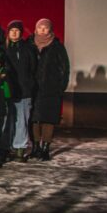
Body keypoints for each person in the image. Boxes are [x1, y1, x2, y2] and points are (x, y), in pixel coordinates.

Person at [30, 18, 69, 161]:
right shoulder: (30, 44)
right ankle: (35, 147)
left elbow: (65, 68)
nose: (42, 30)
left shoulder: (57, 46)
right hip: (33, 88)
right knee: (34, 119)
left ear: (50, 29)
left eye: (45, 27)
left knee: (48, 119)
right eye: (40, 27)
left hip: (51, 89)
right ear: (35, 29)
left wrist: (61, 87)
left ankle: (45, 148)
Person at [4, 20, 36, 161]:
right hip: (7, 90)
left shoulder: (28, 48)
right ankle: (6, 147)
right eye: (12, 30)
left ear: (21, 33)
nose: (14, 33)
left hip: (24, 90)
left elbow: (33, 68)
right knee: (7, 120)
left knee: (22, 120)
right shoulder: (3, 48)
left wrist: (30, 84)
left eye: (17, 30)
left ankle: (20, 148)